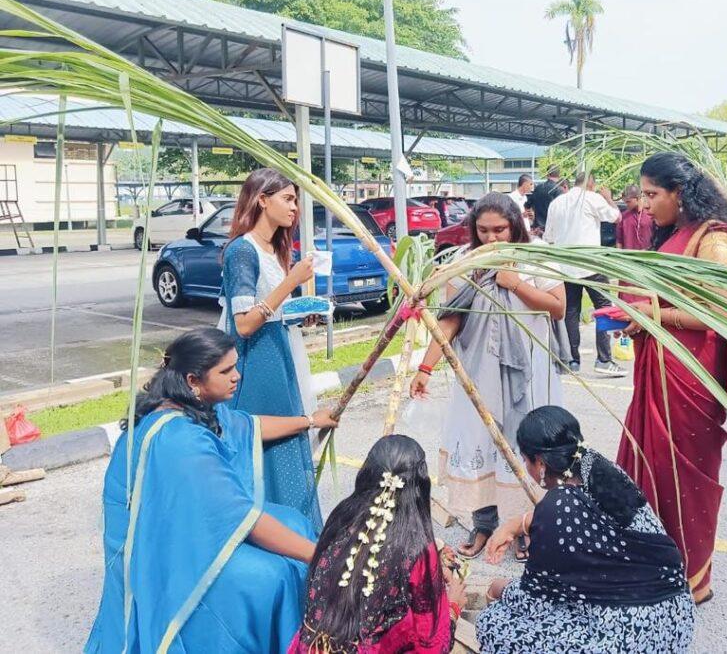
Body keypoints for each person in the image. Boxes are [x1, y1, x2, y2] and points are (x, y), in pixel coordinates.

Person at [86, 328, 338, 653]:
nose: (237, 376)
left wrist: (310, 421)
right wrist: (321, 556)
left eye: (235, 366)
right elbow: (242, 518)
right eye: (226, 371)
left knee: (294, 523)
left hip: (183, 526)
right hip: (160, 553)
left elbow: (246, 425)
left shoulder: (193, 405)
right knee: (270, 576)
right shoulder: (180, 439)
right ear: (193, 380)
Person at [614, 152, 727, 605]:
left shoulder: (715, 241)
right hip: (660, 369)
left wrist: (653, 314)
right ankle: (652, 568)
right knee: (649, 472)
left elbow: (717, 313)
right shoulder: (676, 233)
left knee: (684, 481)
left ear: (679, 193)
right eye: (643, 194)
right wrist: (637, 312)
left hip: (690, 379)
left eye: (652, 194)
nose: (644, 204)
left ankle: (691, 578)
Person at [410, 193, 566, 559]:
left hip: (529, 372)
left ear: (515, 226)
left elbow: (558, 308)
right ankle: (484, 524)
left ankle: (526, 527)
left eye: (500, 230)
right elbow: (451, 319)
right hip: (477, 373)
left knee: (526, 445)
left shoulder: (536, 256)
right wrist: (425, 367)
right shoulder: (466, 261)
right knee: (480, 440)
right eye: (483, 231)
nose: (492, 238)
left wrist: (516, 284)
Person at [476, 406, 695, 654]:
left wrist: (500, 587)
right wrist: (516, 524)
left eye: (526, 460)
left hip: (630, 636)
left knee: (493, 623)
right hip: (676, 620)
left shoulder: (557, 509)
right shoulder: (599, 467)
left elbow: (535, 602)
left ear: (540, 463)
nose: (526, 467)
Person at [289, 435, 466, 653]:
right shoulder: (416, 548)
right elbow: (432, 645)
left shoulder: (341, 520)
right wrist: (453, 607)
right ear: (420, 486)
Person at [220, 168, 324, 529]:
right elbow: (244, 324)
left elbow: (272, 311)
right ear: (262, 200)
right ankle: (271, 533)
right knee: (265, 444)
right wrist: (291, 282)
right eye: (288, 199)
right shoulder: (242, 250)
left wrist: (300, 313)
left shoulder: (273, 250)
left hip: (280, 351)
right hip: (256, 360)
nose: (295, 208)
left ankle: (295, 531)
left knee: (287, 440)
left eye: (296, 200)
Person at [543, 171, 626, 377]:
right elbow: (616, 217)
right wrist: (608, 198)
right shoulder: (592, 198)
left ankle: (572, 361)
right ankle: (604, 360)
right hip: (590, 264)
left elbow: (549, 236)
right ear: (591, 184)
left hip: (565, 266)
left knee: (571, 312)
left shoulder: (557, 203)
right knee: (604, 308)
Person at [614, 184, 654, 251]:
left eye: (628, 202)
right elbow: (619, 240)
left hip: (648, 255)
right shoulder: (623, 216)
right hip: (628, 255)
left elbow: (657, 238)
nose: (626, 204)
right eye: (625, 202)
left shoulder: (651, 214)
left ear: (637, 198)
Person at [528, 166, 562, 232]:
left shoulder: (538, 188)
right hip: (552, 228)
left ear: (547, 175)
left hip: (537, 228)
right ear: (559, 175)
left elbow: (528, 205)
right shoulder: (559, 190)